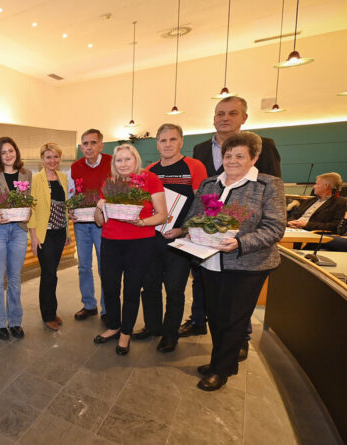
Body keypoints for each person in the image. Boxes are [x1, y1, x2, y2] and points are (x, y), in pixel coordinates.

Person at [183, 95, 282, 357]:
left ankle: (233, 351)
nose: (224, 118)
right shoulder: (204, 161)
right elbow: (199, 208)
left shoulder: (266, 172)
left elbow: (273, 217)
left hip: (247, 257)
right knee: (215, 308)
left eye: (232, 113)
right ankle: (213, 341)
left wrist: (240, 241)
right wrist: (188, 231)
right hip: (209, 255)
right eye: (220, 113)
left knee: (236, 314)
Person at [135, 124, 207, 352]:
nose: (167, 144)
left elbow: (202, 206)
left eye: (172, 139)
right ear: (157, 143)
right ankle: (152, 326)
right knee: (150, 285)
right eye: (163, 140)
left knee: (175, 288)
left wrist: (183, 230)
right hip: (151, 238)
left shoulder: (194, 167)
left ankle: (170, 333)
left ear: (181, 142)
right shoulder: (150, 170)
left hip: (179, 240)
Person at [93, 144, 167, 355]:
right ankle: (114, 325)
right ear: (114, 163)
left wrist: (142, 222)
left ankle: (126, 332)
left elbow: (162, 214)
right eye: (119, 160)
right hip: (110, 241)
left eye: (128, 159)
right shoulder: (110, 183)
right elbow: (99, 222)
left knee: (132, 288)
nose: (123, 164)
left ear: (136, 160)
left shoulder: (149, 179)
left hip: (140, 242)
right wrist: (99, 207)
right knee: (110, 286)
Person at [0, 137, 32, 340]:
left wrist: (29, 211)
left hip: (19, 230)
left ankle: (15, 321)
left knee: (14, 278)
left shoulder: (26, 173)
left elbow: (28, 199)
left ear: (16, 152)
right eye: (3, 152)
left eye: (11, 151)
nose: (8, 155)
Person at [28, 143, 71, 331]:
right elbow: (32, 208)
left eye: (55, 157)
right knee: (49, 274)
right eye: (48, 157)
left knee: (53, 273)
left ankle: (52, 311)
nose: (52, 160)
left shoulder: (62, 177)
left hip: (60, 232)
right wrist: (34, 237)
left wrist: (68, 232)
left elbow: (64, 207)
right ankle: (47, 314)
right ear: (42, 159)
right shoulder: (36, 179)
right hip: (44, 233)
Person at [70, 129, 112, 321]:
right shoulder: (75, 166)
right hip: (81, 224)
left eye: (93, 143)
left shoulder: (112, 162)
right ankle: (89, 305)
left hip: (104, 223)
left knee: (105, 267)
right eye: (85, 143)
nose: (88, 147)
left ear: (101, 145)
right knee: (83, 266)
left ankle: (107, 308)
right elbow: (73, 193)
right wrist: (70, 208)